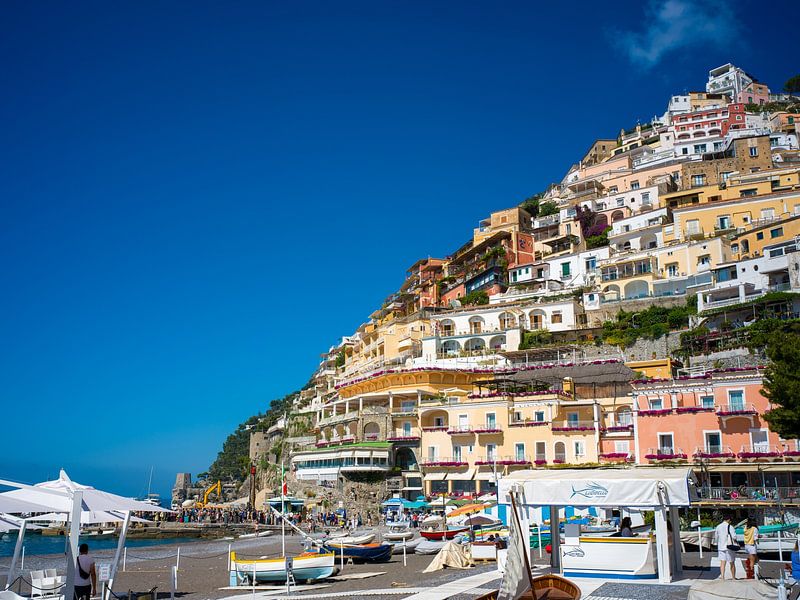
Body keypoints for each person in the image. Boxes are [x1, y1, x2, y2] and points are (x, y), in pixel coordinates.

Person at [714, 513, 737, 580]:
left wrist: (716, 543)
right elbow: (734, 537)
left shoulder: (718, 526)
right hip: (729, 547)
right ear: (728, 519)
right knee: (732, 562)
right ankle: (733, 577)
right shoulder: (730, 527)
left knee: (722, 562)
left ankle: (722, 577)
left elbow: (716, 537)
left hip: (721, 547)